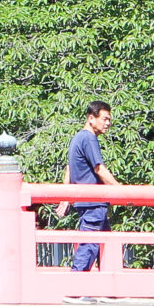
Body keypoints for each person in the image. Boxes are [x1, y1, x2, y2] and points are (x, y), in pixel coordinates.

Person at [67, 102, 116, 270]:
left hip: (87, 201)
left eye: (109, 119)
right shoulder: (88, 138)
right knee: (91, 244)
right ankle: (76, 288)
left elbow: (69, 168)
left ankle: (107, 289)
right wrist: (121, 190)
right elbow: (99, 168)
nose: (108, 123)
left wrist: (66, 196)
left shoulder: (77, 137)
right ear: (91, 118)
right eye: (104, 119)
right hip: (93, 202)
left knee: (106, 245)